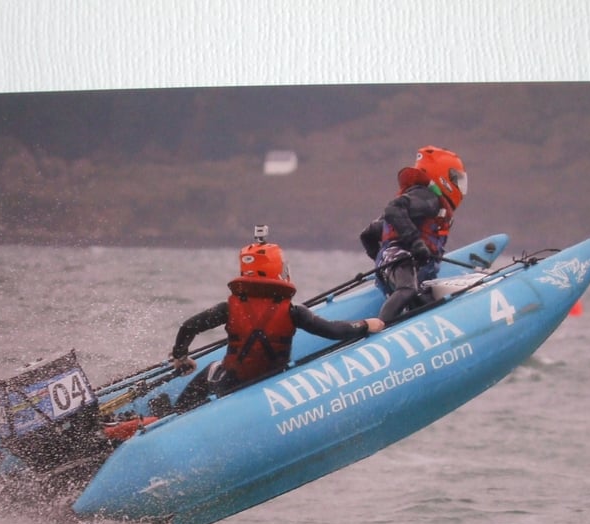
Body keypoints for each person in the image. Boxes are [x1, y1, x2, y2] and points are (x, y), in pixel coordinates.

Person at [168, 227, 385, 412]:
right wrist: (366, 324)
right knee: (216, 367)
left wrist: (181, 356)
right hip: (271, 384)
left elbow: (189, 327)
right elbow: (333, 331)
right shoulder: (293, 312)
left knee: (214, 368)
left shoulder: (229, 308)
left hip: (229, 384)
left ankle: (176, 413)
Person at [360, 145, 468, 323]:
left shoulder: (424, 209)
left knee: (423, 301)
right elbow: (392, 209)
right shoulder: (427, 199)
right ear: (443, 176)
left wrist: (379, 263)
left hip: (400, 265)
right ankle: (381, 329)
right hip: (399, 259)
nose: (460, 185)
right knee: (407, 290)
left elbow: (368, 234)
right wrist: (416, 243)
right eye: (457, 178)